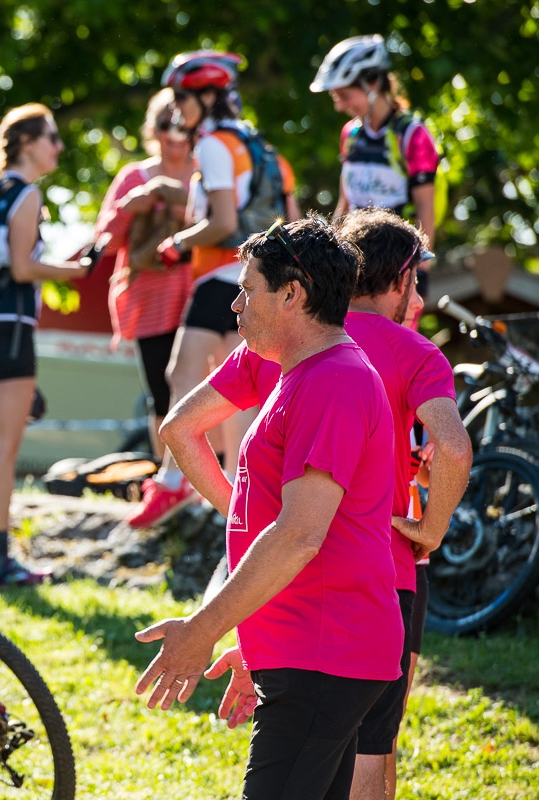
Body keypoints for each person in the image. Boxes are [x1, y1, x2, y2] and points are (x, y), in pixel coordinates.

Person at [162, 208, 472, 800]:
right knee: (357, 770)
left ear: (292, 294)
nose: (235, 307)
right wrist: (254, 637)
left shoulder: (333, 377)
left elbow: (298, 534)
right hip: (318, 635)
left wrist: (203, 628)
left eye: (246, 292)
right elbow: (290, 528)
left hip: (330, 646)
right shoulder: (303, 367)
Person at [127, 51, 301, 529]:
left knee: (181, 372)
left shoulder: (213, 147)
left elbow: (222, 222)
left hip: (220, 273)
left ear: (206, 97)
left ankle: (174, 480)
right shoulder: (257, 145)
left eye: (182, 98)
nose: (176, 108)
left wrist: (175, 244)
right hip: (256, 279)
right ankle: (236, 489)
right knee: (240, 388)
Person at [0, 103, 90, 587]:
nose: (58, 146)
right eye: (51, 137)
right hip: (10, 326)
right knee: (3, 450)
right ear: (28, 143)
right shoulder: (26, 194)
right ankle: (0, 560)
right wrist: (76, 271)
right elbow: (23, 268)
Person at [92, 88, 195, 460]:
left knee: (208, 389)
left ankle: (214, 479)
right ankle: (165, 474)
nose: (175, 133)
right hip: (150, 298)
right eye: (167, 123)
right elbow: (104, 240)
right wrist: (130, 207)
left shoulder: (207, 173)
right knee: (162, 392)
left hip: (200, 290)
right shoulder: (133, 176)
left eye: (183, 123)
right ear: (155, 128)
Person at [311, 34, 442, 301]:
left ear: (372, 84)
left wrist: (422, 269)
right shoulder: (350, 134)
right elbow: (345, 203)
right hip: (354, 266)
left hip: (397, 266)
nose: (339, 106)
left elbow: (425, 207)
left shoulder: (413, 135)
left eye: (345, 96)